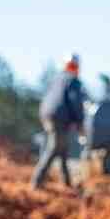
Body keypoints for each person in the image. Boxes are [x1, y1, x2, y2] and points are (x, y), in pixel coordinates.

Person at [31, 54, 85, 189]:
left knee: (63, 148)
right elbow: (75, 102)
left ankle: (67, 183)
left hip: (47, 114)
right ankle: (37, 181)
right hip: (59, 117)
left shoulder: (57, 79)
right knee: (55, 147)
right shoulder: (73, 81)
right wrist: (80, 122)